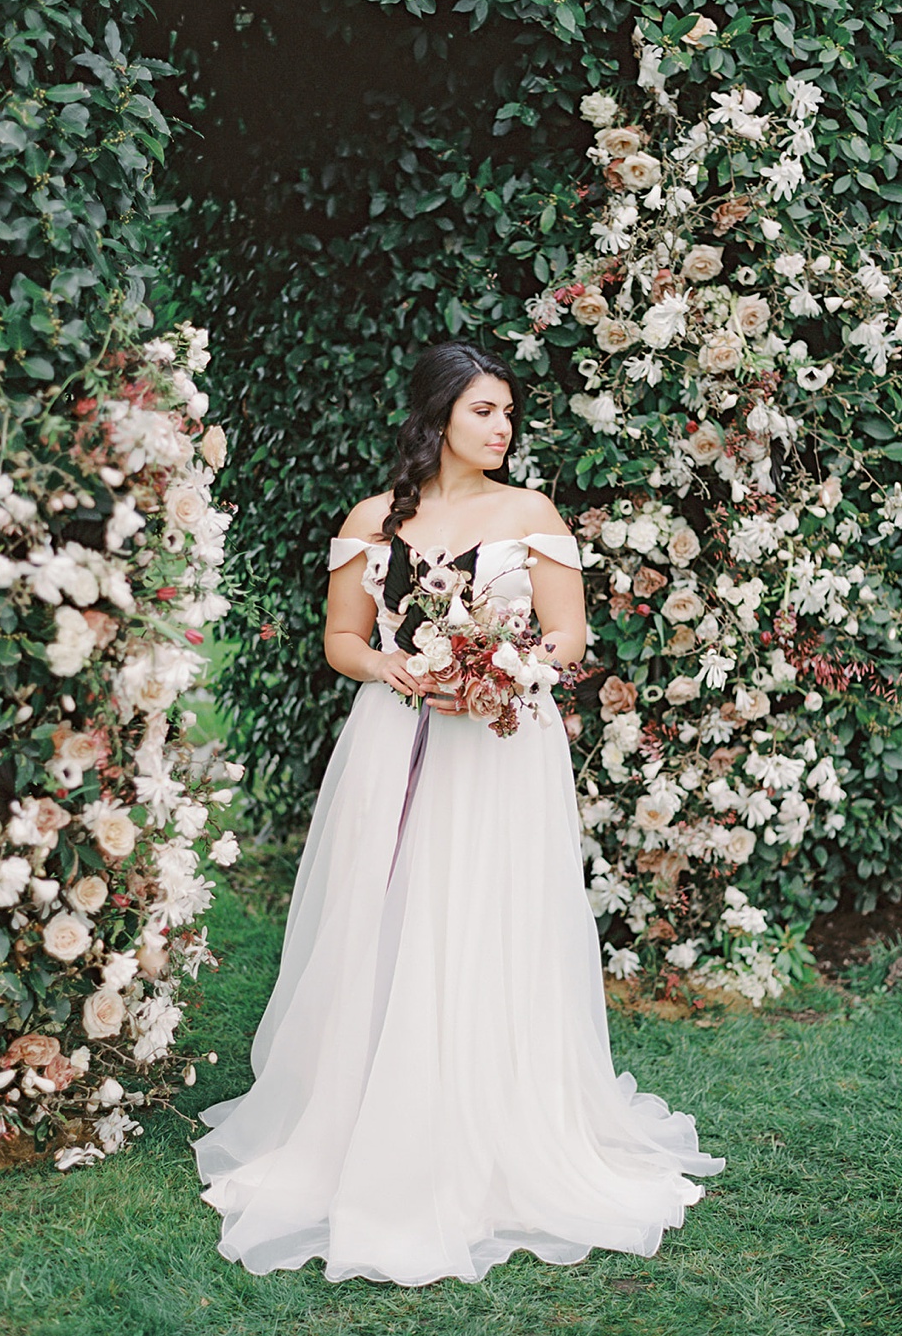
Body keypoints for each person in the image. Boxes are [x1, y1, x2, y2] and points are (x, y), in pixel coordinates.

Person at [192, 340, 725, 1286]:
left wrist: (499, 667)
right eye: (485, 411)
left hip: (501, 748)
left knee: (486, 914)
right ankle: (366, 1110)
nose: (502, 428)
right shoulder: (373, 518)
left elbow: (568, 635)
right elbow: (341, 638)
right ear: (437, 416)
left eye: (509, 413)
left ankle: (495, 1115)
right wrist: (394, 665)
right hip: (392, 740)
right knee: (381, 911)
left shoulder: (531, 515)